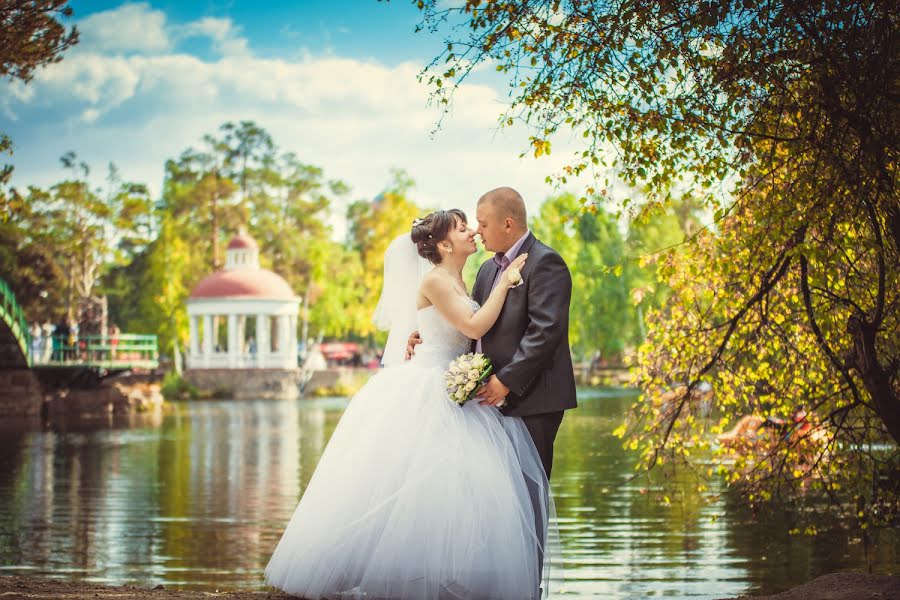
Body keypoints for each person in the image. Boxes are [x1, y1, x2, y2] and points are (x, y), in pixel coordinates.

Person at [265, 209, 554, 600]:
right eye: (463, 227)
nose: (472, 231)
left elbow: (461, 331)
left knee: (458, 489)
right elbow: (472, 326)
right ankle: (407, 578)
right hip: (428, 388)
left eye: (472, 224)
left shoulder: (462, 276)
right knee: (419, 484)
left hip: (455, 387)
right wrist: (504, 284)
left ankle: (455, 580)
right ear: (445, 243)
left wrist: (426, 333)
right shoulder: (436, 279)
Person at [406, 187, 577, 479]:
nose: (477, 231)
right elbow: (473, 326)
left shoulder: (544, 262)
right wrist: (426, 335)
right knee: (501, 499)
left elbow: (545, 331)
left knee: (529, 493)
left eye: (483, 224)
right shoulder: (486, 270)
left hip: (532, 400)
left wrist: (506, 381)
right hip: (486, 401)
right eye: (472, 225)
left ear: (507, 224)